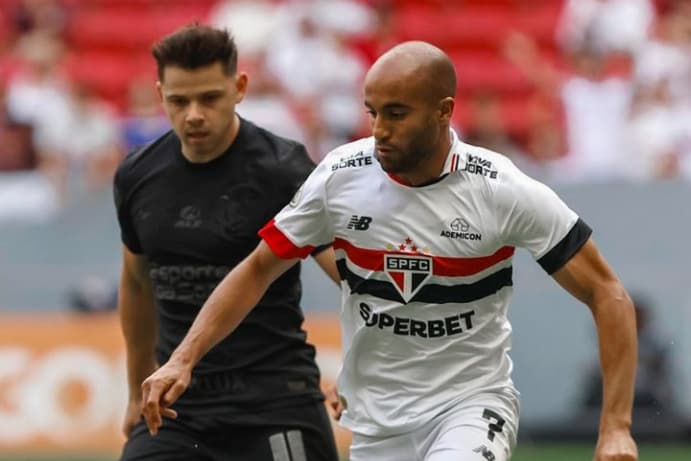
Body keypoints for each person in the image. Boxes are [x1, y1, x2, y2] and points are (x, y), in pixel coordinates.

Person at [140, 41, 639, 461]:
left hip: (470, 405)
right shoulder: (341, 176)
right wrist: (182, 359)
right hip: (378, 423)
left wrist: (615, 424)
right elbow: (257, 268)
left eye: (397, 114)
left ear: (444, 111)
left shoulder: (502, 189)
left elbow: (607, 292)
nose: (379, 129)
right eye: (373, 112)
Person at [113, 25, 340, 461]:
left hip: (276, 403)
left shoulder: (285, 170)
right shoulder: (136, 175)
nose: (194, 114)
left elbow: (349, 275)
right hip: (178, 410)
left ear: (239, 88)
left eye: (209, 98)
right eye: (179, 101)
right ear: (161, 94)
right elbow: (137, 284)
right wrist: (134, 391)